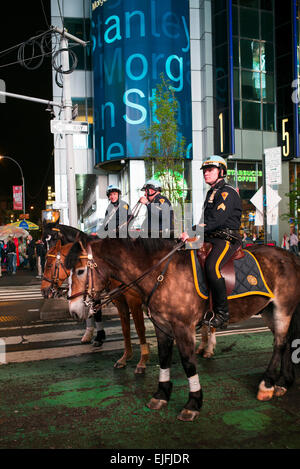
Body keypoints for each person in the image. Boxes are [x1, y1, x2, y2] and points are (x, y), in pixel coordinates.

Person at [181, 155, 242, 329]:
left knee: (211, 266)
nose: (206, 174)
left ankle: (222, 313)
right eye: (205, 171)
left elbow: (216, 220)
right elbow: (205, 220)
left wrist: (192, 231)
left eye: (210, 170)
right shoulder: (211, 192)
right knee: (185, 257)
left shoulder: (227, 192)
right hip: (210, 236)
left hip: (226, 238)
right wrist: (191, 235)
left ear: (221, 172)